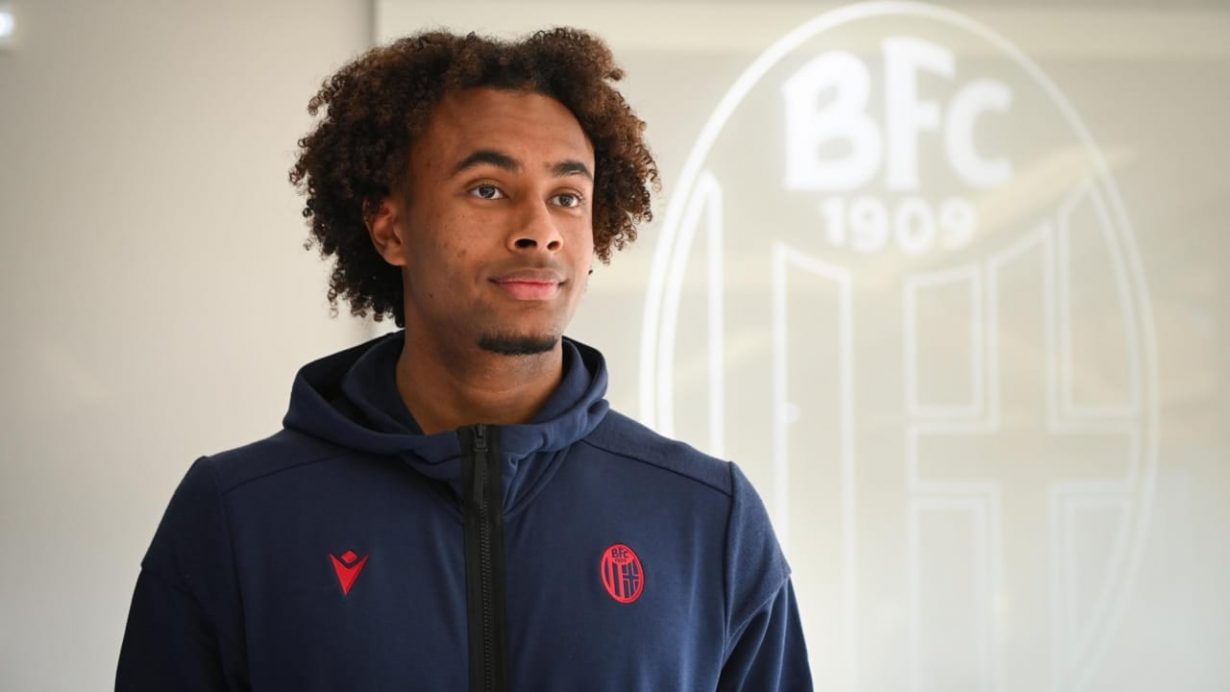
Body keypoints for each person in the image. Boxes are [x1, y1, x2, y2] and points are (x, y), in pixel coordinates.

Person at [116, 28, 812, 691]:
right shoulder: (237, 515)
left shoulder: (709, 518)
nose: (540, 231)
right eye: (488, 190)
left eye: (567, 197)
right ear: (389, 226)